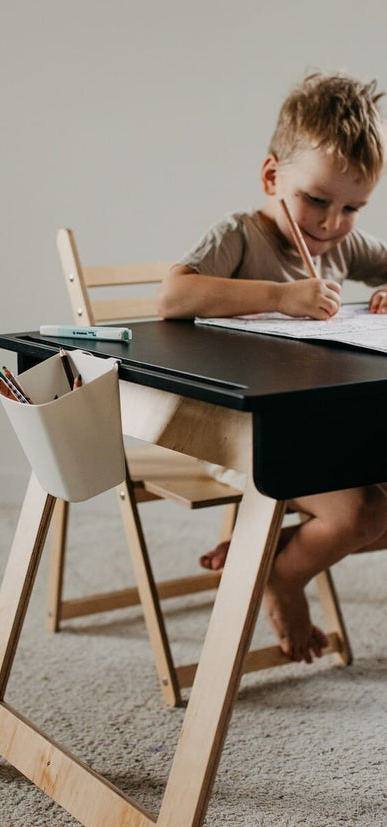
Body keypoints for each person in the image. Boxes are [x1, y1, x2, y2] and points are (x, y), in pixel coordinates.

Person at [156, 72, 387, 664]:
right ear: (271, 177)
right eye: (317, 199)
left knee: (380, 510)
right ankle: (282, 578)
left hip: (310, 422)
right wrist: (281, 297)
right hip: (230, 427)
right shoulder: (238, 236)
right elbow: (173, 298)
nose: (331, 222)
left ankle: (261, 549)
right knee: (358, 512)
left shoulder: (339, 245)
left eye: (353, 208)